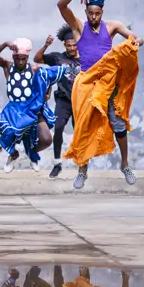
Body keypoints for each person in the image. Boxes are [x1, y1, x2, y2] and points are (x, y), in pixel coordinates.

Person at [57, 0, 144, 189]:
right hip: (86, 82)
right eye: (90, 13)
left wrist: (137, 41)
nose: (94, 16)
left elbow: (132, 36)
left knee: (118, 124)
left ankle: (125, 164)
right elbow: (60, 5)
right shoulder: (78, 27)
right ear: (86, 12)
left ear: (101, 12)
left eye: (97, 13)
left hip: (108, 82)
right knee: (83, 126)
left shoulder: (112, 25)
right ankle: (82, 171)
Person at [0, 38, 66, 172]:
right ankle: (13, 155)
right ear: (13, 57)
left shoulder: (34, 69)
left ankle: (31, 153)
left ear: (27, 57)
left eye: (23, 58)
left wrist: (46, 95)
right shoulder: (8, 66)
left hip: (33, 109)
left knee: (47, 139)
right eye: (17, 58)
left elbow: (46, 80)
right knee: (7, 132)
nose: (20, 61)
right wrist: (5, 44)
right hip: (15, 110)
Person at [34, 26, 82, 178]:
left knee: (80, 132)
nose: (72, 48)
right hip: (63, 100)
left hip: (80, 101)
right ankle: (57, 163)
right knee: (59, 127)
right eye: (69, 45)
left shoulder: (85, 58)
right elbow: (37, 59)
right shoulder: (57, 58)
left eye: (74, 45)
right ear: (65, 45)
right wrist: (46, 45)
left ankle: (82, 166)